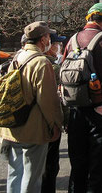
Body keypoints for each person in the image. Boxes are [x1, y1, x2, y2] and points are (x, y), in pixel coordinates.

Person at [61, 3, 102, 193]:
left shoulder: (72, 40)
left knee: (78, 165)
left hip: (75, 109)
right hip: (101, 109)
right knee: (99, 167)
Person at [0, 22, 64, 193]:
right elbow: (48, 101)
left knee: (15, 173)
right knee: (32, 177)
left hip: (12, 124)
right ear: (43, 39)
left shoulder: (18, 57)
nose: (50, 40)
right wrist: (56, 124)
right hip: (32, 129)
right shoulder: (41, 63)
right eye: (49, 37)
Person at [41, 32, 67, 193]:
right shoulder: (52, 66)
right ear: (49, 45)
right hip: (49, 123)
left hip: (30, 124)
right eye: (57, 43)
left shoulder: (24, 58)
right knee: (50, 165)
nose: (60, 47)